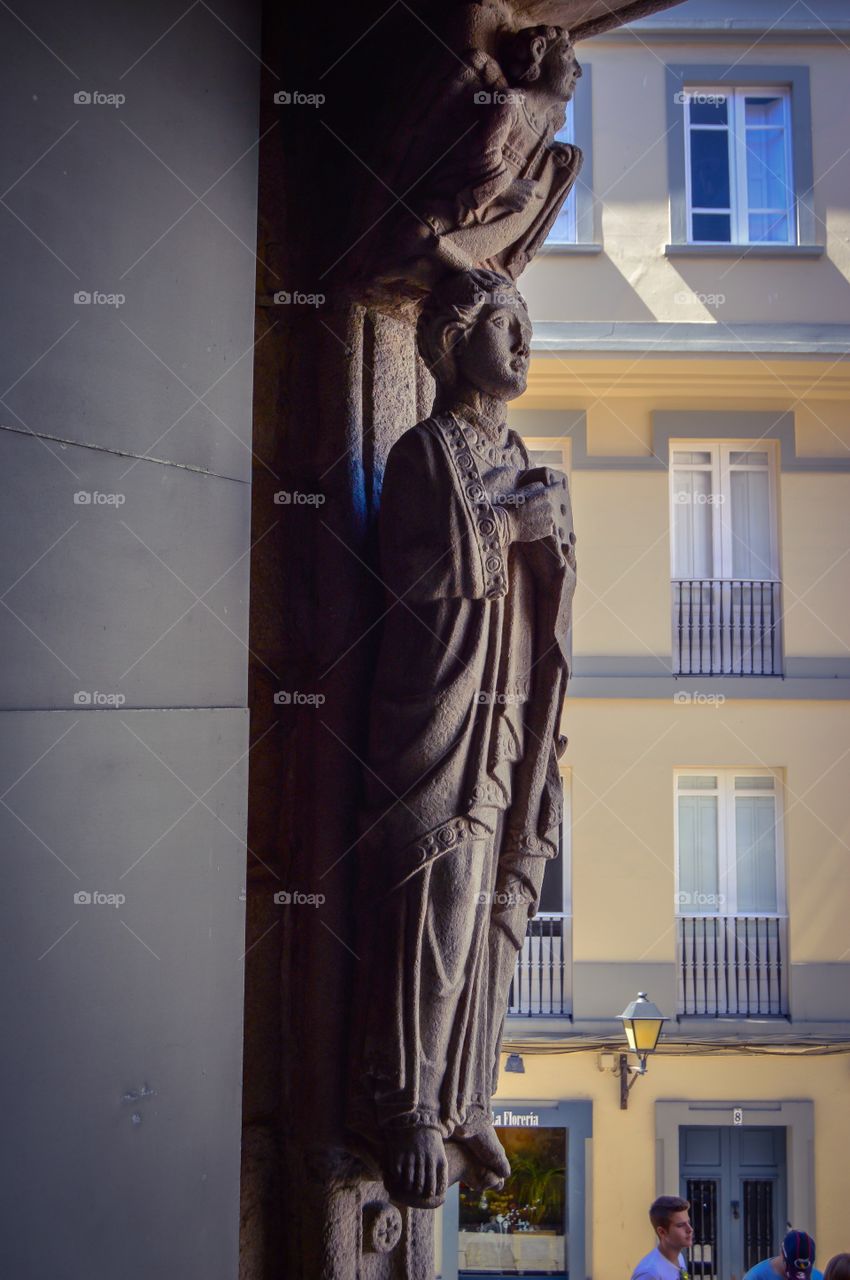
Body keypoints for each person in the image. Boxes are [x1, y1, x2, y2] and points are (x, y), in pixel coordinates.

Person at [347, 268, 576, 1208]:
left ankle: (468, 1091)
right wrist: (516, 521)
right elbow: (408, 579)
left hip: (510, 709)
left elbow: (541, 596)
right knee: (437, 901)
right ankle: (405, 1103)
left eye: (527, 326)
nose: (522, 345)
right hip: (441, 713)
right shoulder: (424, 452)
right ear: (452, 340)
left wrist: (556, 542)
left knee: (498, 907)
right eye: (505, 324)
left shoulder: (517, 448)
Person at [631, 1196, 694, 1280]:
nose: (690, 1229)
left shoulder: (679, 1257)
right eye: (680, 1225)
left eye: (688, 1222)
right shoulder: (649, 1273)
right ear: (662, 1232)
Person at [744, 1230, 824, 1280]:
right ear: (782, 1254)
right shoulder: (756, 1277)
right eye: (792, 1269)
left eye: (805, 1271)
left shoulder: (818, 1277)